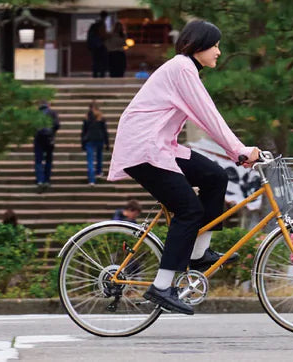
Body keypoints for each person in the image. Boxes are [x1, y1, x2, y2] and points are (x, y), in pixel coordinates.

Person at [107, 20, 260, 316]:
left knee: (215, 176)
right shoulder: (182, 68)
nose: (218, 51)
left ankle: (199, 255)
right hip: (145, 149)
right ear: (198, 45)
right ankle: (162, 287)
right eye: (214, 45)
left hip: (160, 146)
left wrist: (235, 153)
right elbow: (208, 115)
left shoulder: (185, 69)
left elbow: (205, 116)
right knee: (189, 210)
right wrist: (240, 150)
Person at [81, 101, 110, 185]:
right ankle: (99, 171)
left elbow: (83, 132)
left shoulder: (87, 118)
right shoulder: (101, 118)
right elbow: (105, 131)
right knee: (99, 156)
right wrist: (107, 143)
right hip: (99, 139)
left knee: (90, 160)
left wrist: (83, 143)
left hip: (89, 140)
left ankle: (91, 180)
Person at [34, 100, 60, 192]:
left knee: (38, 160)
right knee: (48, 159)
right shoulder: (52, 113)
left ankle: (40, 180)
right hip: (49, 139)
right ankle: (47, 180)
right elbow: (57, 125)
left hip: (38, 139)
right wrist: (52, 132)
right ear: (48, 105)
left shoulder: (36, 113)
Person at [87, 11, 109, 79]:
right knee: (101, 61)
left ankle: (96, 74)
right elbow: (103, 34)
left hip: (95, 45)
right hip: (99, 45)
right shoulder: (101, 24)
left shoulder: (96, 24)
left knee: (96, 61)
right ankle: (101, 74)